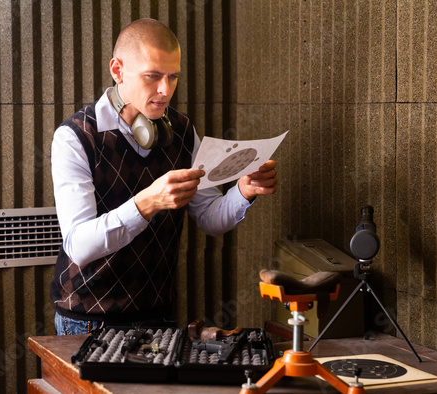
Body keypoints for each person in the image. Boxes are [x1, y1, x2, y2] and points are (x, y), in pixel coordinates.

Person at [50, 18, 278, 335]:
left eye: (173, 78)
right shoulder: (75, 137)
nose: (165, 90)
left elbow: (210, 218)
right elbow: (79, 247)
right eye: (153, 76)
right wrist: (147, 202)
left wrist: (242, 192)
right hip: (89, 318)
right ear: (117, 70)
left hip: (159, 313)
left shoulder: (183, 130)